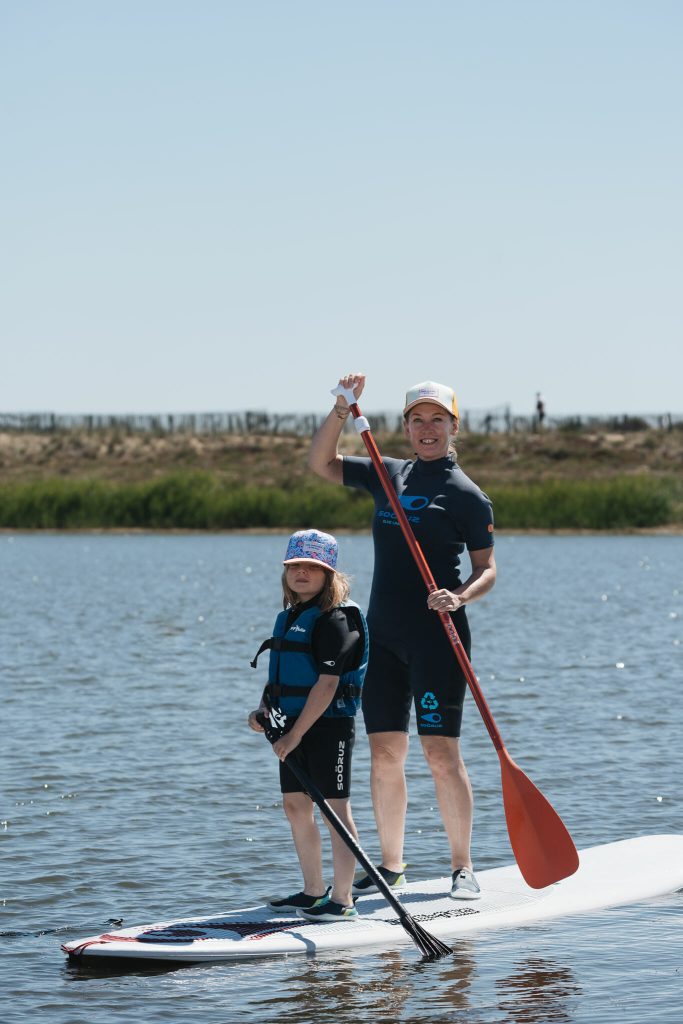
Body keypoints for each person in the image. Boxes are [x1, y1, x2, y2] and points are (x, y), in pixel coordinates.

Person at [308, 376, 496, 900]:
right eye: (418, 419)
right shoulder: (386, 473)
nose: (427, 428)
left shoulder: (467, 496)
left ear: (454, 426)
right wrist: (341, 411)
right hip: (383, 638)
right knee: (385, 752)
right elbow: (321, 463)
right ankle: (392, 867)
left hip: (438, 638)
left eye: (438, 419)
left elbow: (488, 570)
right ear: (407, 426)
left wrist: (459, 596)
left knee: (440, 754)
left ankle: (463, 867)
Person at [248, 528, 369, 922]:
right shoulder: (290, 617)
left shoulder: (337, 620)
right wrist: (264, 709)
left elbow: (328, 683)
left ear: (328, 573)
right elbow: (284, 673)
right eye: (295, 566)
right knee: (295, 806)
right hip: (289, 728)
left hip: (327, 727)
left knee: (335, 809)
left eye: (312, 567)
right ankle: (315, 892)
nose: (302, 573)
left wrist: (296, 734)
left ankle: (344, 899)